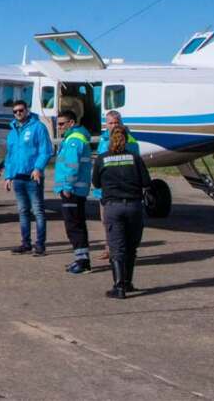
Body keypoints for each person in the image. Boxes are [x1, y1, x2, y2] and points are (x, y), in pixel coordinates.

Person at [92, 125, 152, 298]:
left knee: (117, 247)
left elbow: (96, 183)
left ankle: (119, 287)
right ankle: (128, 282)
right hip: (133, 206)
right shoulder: (135, 158)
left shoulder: (102, 159)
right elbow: (146, 182)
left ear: (110, 139)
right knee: (131, 247)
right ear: (126, 139)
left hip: (113, 206)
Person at [2, 99, 53, 256]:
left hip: (32, 177)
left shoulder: (38, 127)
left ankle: (40, 245)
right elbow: (10, 156)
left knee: (37, 210)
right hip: (18, 177)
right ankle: (26, 243)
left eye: (21, 110)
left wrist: (38, 168)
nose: (18, 113)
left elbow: (46, 150)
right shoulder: (12, 133)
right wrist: (8, 176)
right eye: (15, 111)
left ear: (27, 110)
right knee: (23, 211)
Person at [94, 110, 141, 260]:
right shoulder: (103, 139)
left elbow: (134, 165)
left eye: (116, 122)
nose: (114, 125)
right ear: (105, 124)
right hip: (105, 190)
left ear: (121, 123)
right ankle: (109, 248)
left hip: (121, 190)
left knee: (122, 225)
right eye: (111, 123)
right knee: (106, 222)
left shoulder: (131, 141)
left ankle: (122, 252)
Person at [54, 110, 92, 274]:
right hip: (77, 189)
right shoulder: (73, 138)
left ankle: (82, 262)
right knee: (77, 224)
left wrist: (67, 187)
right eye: (58, 124)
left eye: (62, 124)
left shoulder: (74, 140)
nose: (59, 127)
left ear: (71, 123)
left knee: (73, 226)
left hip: (73, 190)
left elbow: (72, 166)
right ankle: (82, 259)